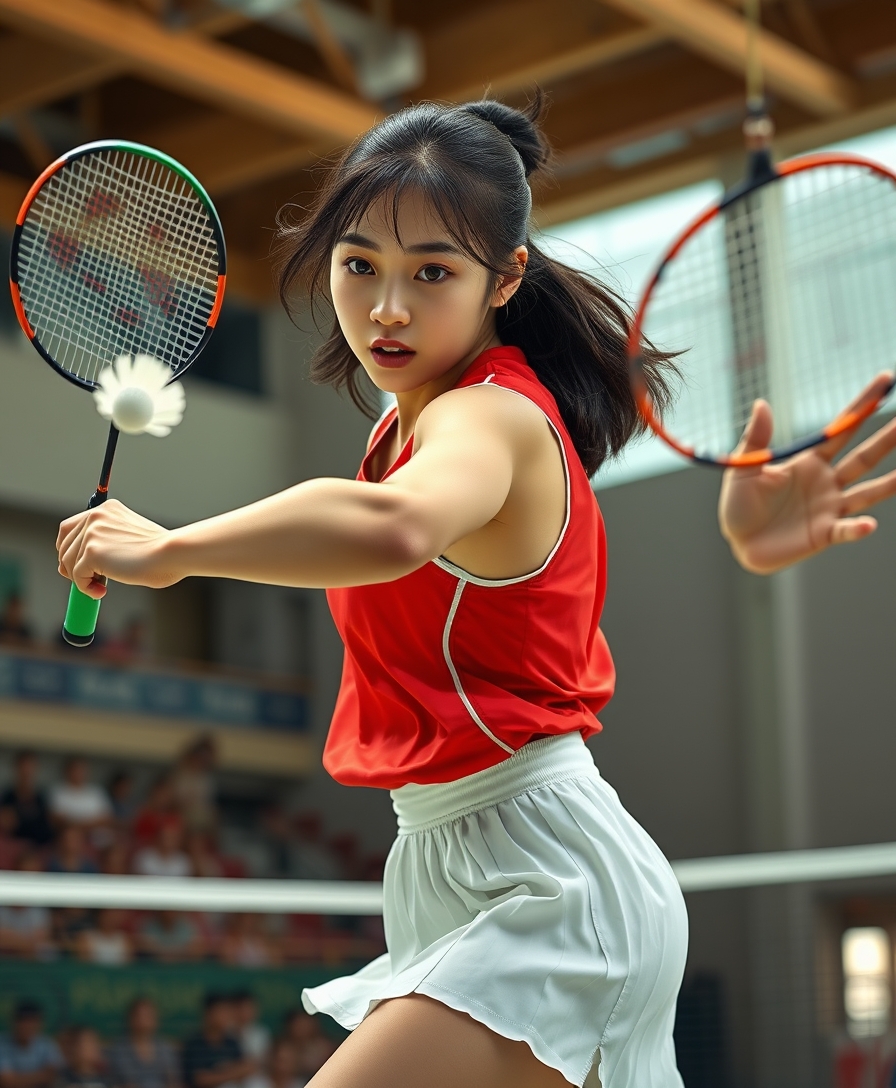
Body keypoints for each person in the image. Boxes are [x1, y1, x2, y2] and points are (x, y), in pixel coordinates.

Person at [53, 93, 896, 1088]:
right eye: (358, 264)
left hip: (546, 875)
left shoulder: (486, 421)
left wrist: (176, 547)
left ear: (505, 279)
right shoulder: (404, 427)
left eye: (432, 273)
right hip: (442, 862)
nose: (387, 307)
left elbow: (394, 527)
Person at [181, 994, 256, 1088]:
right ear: (208, 1014)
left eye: (228, 1011)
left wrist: (219, 1073)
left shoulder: (231, 1041)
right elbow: (201, 1079)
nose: (227, 1016)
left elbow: (248, 1068)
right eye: (222, 1011)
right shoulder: (194, 1042)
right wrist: (232, 1073)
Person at [106, 997, 181, 1088]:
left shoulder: (165, 1049)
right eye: (139, 1015)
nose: (143, 1020)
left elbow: (173, 1080)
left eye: (148, 1015)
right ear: (130, 1019)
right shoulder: (118, 1051)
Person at [0, 850, 54, 960]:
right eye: (25, 873)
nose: (29, 880)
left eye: (33, 875)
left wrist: (13, 941)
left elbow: (38, 943)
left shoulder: (40, 908)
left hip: (31, 966)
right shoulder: (3, 901)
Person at [48, 757, 113, 841]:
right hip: (70, 837)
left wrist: (80, 824)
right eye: (75, 769)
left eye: (81, 769)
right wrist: (86, 825)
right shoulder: (57, 791)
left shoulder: (96, 791)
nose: (78, 773)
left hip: (98, 837)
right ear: (67, 771)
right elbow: (57, 819)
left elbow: (107, 819)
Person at [0, 1001, 63, 1088]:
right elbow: (7, 1082)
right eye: (23, 1021)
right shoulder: (2, 1043)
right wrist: (42, 1076)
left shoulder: (46, 1043)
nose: (27, 1026)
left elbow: (54, 1074)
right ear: (13, 1022)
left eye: (31, 1021)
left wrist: (18, 1079)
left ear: (40, 1024)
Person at [0, 751, 53, 847]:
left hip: (38, 848)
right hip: (13, 847)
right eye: (23, 767)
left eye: (30, 767)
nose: (26, 772)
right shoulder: (7, 797)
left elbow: (47, 827)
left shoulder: (42, 798)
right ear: (16, 768)